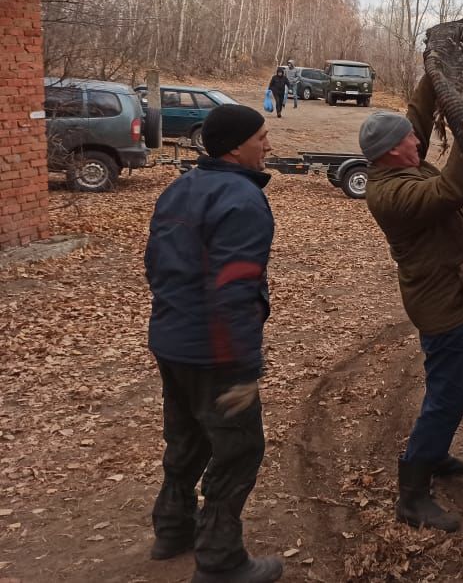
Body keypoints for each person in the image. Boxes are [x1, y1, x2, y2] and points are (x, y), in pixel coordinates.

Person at [145, 104, 282, 583]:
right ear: (234, 146)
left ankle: (172, 529)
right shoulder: (242, 201)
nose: (268, 145)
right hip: (213, 353)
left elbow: (155, 266)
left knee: (186, 437)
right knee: (240, 449)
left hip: (170, 341)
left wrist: (172, 325)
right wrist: (242, 368)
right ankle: (221, 560)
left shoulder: (179, 188)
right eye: (261, 137)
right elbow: (235, 289)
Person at [360, 74, 463, 532]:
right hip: (440, 305)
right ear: (393, 150)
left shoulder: (397, 159)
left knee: (451, 385)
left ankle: (434, 453)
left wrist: (434, 75)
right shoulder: (390, 194)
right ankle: (412, 493)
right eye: (410, 139)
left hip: (450, 292)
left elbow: (413, 119)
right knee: (447, 393)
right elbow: (450, 191)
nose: (418, 138)